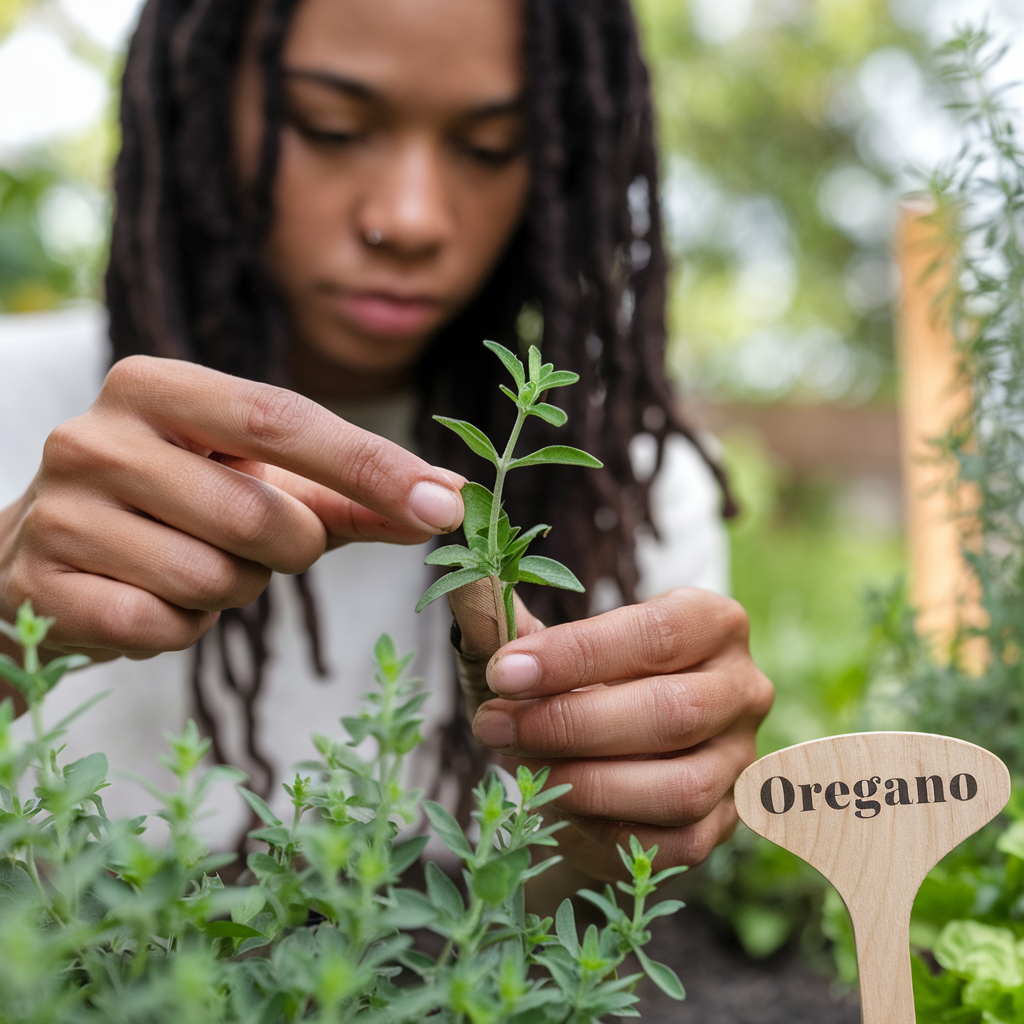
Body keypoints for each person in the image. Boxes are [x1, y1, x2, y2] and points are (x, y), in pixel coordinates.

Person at [0, 0, 772, 887]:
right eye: (331, 127)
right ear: (202, 103)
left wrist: (629, 820)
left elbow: (571, 919)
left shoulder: (621, 479)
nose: (408, 219)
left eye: (488, 147)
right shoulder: (14, 396)